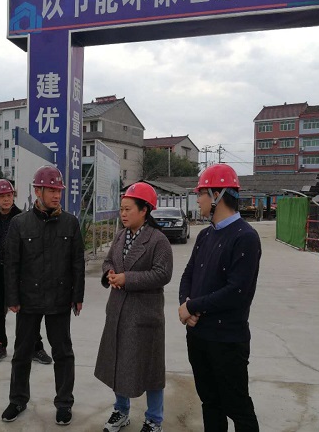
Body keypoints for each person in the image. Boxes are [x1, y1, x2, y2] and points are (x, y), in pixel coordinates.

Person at [178, 163, 261, 432]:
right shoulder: (205, 235)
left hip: (227, 340)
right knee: (210, 402)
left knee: (237, 406)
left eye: (201, 193)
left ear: (217, 195)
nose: (198, 200)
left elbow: (236, 292)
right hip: (199, 335)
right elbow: (188, 274)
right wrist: (185, 305)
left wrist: (193, 306)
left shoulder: (245, 237)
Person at [1, 165, 85, 426]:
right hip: (29, 300)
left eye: (58, 190)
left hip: (60, 299)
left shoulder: (70, 223)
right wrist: (12, 298)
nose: (57, 195)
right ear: (38, 191)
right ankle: (17, 400)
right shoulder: (20, 223)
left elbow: (77, 263)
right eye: (51, 190)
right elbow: (11, 263)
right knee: (22, 353)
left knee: (63, 353)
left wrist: (77, 296)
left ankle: (64, 403)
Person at [95, 182, 173, 432]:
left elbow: (163, 274)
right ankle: (121, 411)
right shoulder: (121, 235)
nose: (123, 214)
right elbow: (109, 260)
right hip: (118, 311)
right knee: (118, 362)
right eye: (121, 209)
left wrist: (127, 278)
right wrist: (109, 273)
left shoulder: (158, 240)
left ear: (144, 210)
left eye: (128, 209)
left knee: (150, 369)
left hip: (144, 315)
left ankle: (154, 419)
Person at [0, 179, 52, 365]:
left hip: (19, 273)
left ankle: (35, 347)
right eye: (2, 196)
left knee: (27, 311)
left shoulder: (23, 217)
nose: (6, 199)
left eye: (9, 195)